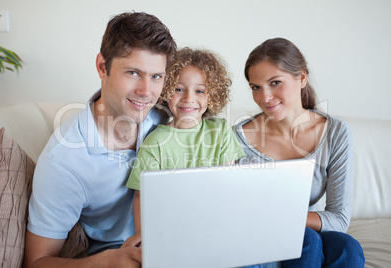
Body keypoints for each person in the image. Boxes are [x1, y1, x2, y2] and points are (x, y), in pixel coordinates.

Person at [24, 12, 176, 268]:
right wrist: (106, 262)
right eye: (133, 73)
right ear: (102, 67)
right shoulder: (64, 160)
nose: (146, 92)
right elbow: (37, 261)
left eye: (156, 76)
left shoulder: (166, 117)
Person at [233, 37, 365, 267]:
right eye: (256, 87)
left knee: (348, 247)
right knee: (310, 241)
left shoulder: (335, 132)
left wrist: (285, 219)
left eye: (275, 82)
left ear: (302, 78)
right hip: (259, 235)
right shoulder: (237, 137)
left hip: (306, 230)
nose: (264, 97)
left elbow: (339, 219)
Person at [122, 47, 245, 248]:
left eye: (199, 91)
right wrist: (142, 235)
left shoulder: (220, 130)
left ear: (212, 95)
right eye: (179, 89)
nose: (188, 98)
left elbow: (228, 184)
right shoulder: (155, 142)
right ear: (166, 90)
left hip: (217, 224)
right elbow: (141, 195)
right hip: (174, 228)